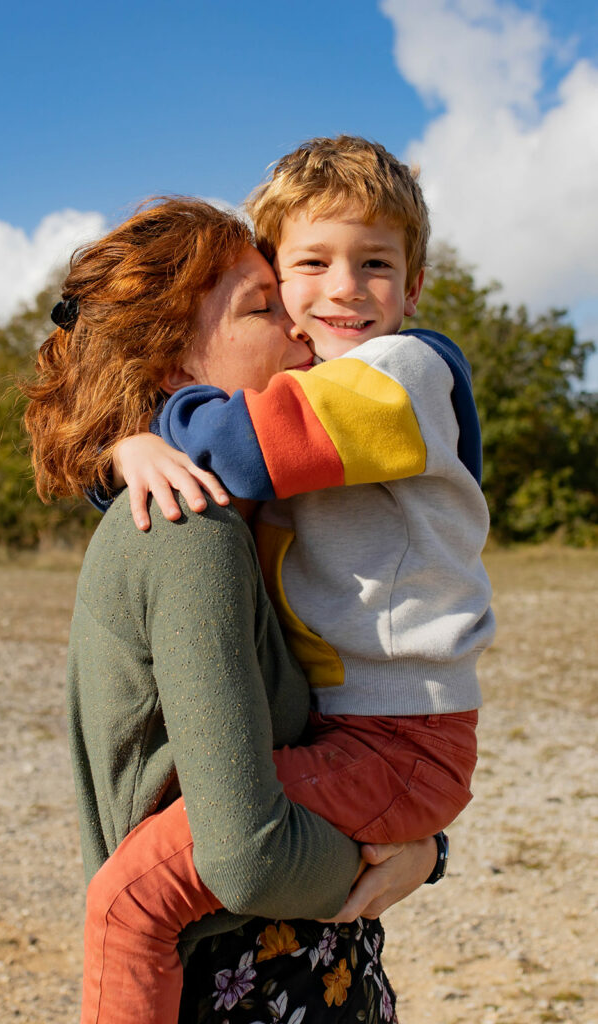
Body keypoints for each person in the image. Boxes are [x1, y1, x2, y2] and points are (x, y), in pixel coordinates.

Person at [88, 137, 495, 1021]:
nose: (343, 289)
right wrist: (125, 452)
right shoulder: (320, 389)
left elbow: (239, 447)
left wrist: (148, 426)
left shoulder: (401, 373)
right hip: (370, 736)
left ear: (414, 286)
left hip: (393, 739)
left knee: (131, 898)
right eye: (308, 266)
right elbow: (166, 494)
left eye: (375, 264)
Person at [23, 197, 438, 1024]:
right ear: (174, 368)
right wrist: (397, 858)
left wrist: (424, 848)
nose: (301, 323)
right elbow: (247, 856)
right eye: (264, 307)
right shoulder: (190, 531)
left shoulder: (267, 526)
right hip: (232, 991)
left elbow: (322, 764)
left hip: (310, 977)